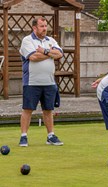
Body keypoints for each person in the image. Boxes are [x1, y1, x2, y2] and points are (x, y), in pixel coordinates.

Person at [19, 17, 64, 146]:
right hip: (32, 82)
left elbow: (60, 54)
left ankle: (50, 136)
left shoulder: (51, 40)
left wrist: (44, 51)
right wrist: (51, 54)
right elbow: (33, 57)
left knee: (48, 110)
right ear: (34, 28)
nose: (45, 28)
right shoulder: (27, 40)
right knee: (27, 109)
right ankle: (23, 137)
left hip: (49, 82)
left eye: (45, 26)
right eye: (42, 26)